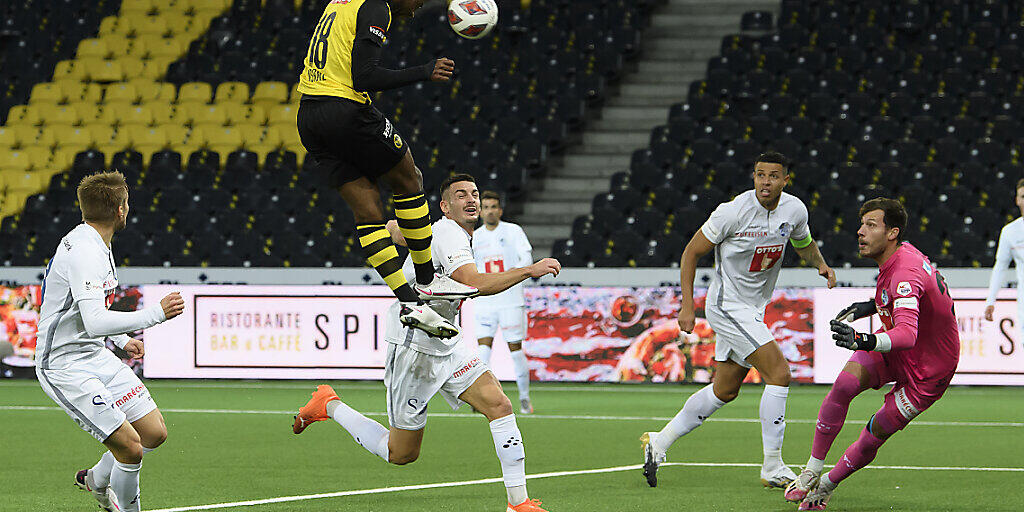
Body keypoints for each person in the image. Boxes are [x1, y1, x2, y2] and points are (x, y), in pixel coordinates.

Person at [292, 174, 561, 512]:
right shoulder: (450, 233)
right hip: (414, 346)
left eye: (474, 194)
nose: (471, 199)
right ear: (446, 207)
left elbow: (406, 234)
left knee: (499, 405)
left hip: (447, 339)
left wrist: (395, 230)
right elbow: (473, 281)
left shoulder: (444, 232)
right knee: (401, 453)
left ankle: (518, 504)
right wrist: (528, 270)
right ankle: (328, 404)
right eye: (460, 195)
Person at [640, 151, 837, 489]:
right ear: (754, 177)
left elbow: (802, 242)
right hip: (726, 304)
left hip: (753, 308)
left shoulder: (794, 210)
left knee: (726, 390)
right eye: (760, 175)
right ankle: (772, 466)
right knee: (779, 373)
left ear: (785, 180)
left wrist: (820, 263)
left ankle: (659, 442)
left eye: (773, 176)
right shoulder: (732, 212)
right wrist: (687, 306)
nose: (766, 182)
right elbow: (691, 252)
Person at [296, 0, 475, 337]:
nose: (420, 3)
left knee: (368, 214)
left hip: (309, 115)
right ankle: (426, 280)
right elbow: (364, 76)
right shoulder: (377, 7)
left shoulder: (341, 3)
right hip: (345, 108)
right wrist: (424, 71)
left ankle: (410, 303)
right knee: (410, 180)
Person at [784, 198, 960, 510]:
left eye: (870, 225)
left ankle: (826, 485)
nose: (859, 231)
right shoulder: (900, 256)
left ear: (892, 233)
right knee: (843, 386)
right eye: (862, 224)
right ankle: (811, 470)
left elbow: (907, 334)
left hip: (928, 372)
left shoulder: (904, 271)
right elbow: (905, 300)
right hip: (899, 349)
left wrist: (863, 339)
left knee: (875, 431)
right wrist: (872, 305)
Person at [35, 171, 184, 512]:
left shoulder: (94, 240)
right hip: (63, 365)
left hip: (93, 352)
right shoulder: (86, 251)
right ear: (120, 210)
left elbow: (91, 309)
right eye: (127, 203)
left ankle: (96, 480)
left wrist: (119, 338)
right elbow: (95, 320)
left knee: (153, 433)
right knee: (131, 447)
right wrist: (155, 315)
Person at [473, 190, 536, 413]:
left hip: (510, 301)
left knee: (516, 350)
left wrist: (514, 273)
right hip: (484, 301)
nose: (490, 211)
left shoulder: (513, 231)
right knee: (482, 351)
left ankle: (524, 399)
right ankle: (481, 397)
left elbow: (526, 258)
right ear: (480, 212)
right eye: (486, 207)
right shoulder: (475, 236)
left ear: (500, 210)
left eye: (493, 207)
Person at [984, 178, 1024, 331]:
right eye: (1023, 196)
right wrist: (990, 301)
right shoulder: (1010, 232)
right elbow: (1000, 267)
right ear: (1017, 200)